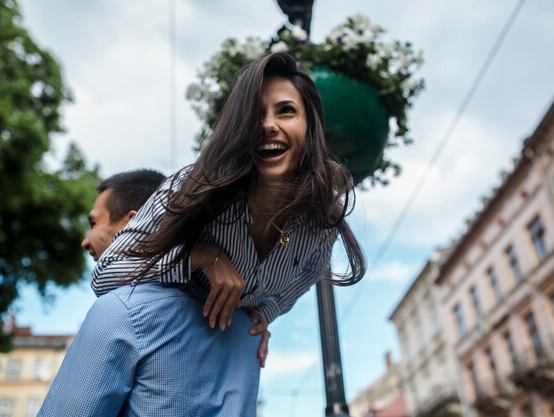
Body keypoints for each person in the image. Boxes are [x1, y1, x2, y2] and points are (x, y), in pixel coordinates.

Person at [92, 52, 365, 357]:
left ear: (309, 128)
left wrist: (265, 312)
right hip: (156, 357)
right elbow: (106, 272)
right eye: (254, 114)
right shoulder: (190, 187)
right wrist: (201, 257)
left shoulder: (322, 218)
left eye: (286, 111)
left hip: (230, 365)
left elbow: (309, 273)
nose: (268, 125)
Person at [38, 170, 263, 416]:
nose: (85, 241)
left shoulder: (121, 310)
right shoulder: (249, 330)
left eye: (94, 223)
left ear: (131, 223)